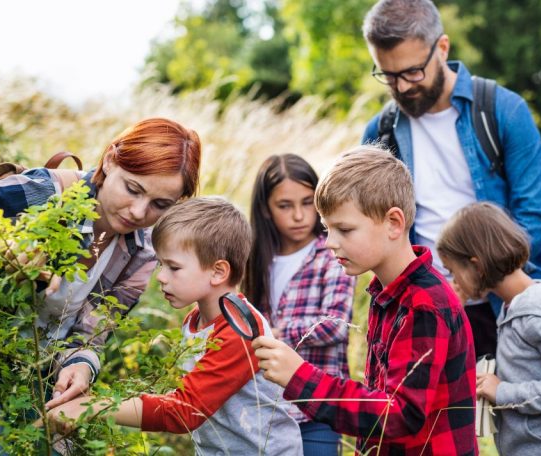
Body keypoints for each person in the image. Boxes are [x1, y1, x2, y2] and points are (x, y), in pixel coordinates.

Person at [0, 118, 201, 448]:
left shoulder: (142, 252)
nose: (138, 212)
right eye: (133, 189)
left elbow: (93, 333)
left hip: (38, 374)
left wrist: (81, 366)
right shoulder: (48, 193)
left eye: (159, 205)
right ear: (109, 160)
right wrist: (4, 247)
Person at [360, 0, 541, 358]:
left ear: (442, 47)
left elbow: (538, 217)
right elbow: (374, 228)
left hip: (509, 308)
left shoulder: (502, 110)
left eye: (412, 72)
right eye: (388, 76)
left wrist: (472, 283)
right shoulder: (380, 133)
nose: (402, 87)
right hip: (423, 311)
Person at [253, 146, 478, 455]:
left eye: (344, 229)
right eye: (327, 229)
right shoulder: (386, 294)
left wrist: (300, 378)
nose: (331, 242)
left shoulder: (424, 304)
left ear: (393, 223)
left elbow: (399, 414)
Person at [47, 197, 303, 455]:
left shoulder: (239, 329)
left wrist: (92, 407)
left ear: (218, 272)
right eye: (161, 264)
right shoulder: (195, 321)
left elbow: (185, 411)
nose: (161, 276)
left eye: (174, 267)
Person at [436, 202, 541, 455]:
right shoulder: (512, 309)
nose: (453, 281)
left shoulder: (537, 312)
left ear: (476, 266)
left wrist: (503, 392)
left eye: (453, 271)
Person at [242, 154, 355, 455]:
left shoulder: (332, 254)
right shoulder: (255, 260)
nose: (299, 216)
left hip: (317, 408)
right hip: (265, 408)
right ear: (265, 209)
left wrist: (276, 335)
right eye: (285, 205)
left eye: (307, 202)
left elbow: (336, 325)